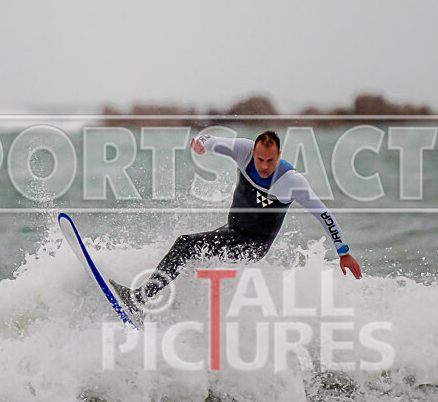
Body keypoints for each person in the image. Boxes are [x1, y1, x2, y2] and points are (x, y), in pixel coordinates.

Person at [110, 130, 362, 324]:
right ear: (253, 151)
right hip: (232, 231)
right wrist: (200, 142)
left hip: (253, 245)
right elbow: (211, 139)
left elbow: (324, 214)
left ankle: (138, 300)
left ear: (279, 156)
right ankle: (166, 314)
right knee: (191, 259)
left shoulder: (291, 181)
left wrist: (343, 252)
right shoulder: (242, 151)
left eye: (270, 161)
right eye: (260, 159)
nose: (264, 166)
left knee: (185, 245)